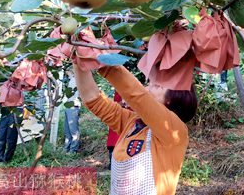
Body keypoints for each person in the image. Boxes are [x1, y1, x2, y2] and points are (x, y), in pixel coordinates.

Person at [73, 64, 197, 195]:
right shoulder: (133, 123)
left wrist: (101, 60)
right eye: (149, 84)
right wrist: (79, 62)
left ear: (173, 98)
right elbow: (95, 101)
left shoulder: (174, 130)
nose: (146, 89)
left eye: (156, 86)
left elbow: (138, 97)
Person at [63, 73, 81, 154]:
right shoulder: (71, 78)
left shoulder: (77, 78)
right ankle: (66, 148)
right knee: (67, 130)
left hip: (74, 105)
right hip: (68, 105)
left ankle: (73, 150)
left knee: (73, 130)